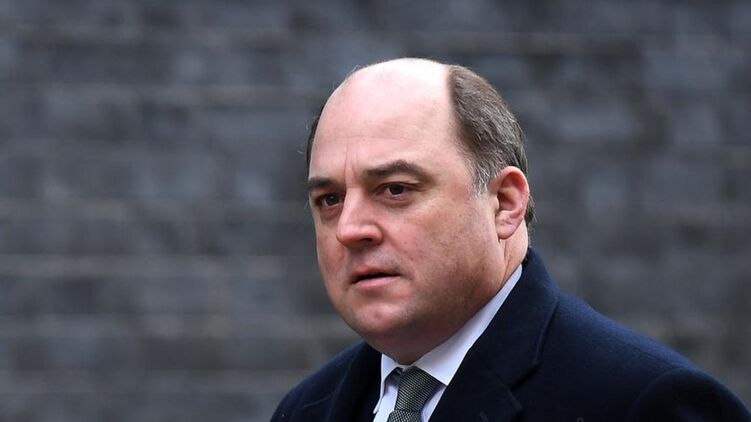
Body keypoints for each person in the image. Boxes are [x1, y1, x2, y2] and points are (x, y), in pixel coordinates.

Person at [272, 58, 750, 421]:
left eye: (395, 189)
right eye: (329, 199)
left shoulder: (646, 404)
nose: (350, 228)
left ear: (504, 204)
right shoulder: (305, 409)